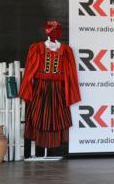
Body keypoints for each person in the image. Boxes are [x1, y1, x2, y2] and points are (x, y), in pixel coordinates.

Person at [20, 21, 80, 149]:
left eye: (56, 30)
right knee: (40, 115)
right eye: (51, 30)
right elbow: (30, 69)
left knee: (57, 116)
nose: (53, 33)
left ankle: (54, 142)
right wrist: (27, 87)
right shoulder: (37, 48)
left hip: (58, 89)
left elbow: (71, 73)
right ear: (47, 31)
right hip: (40, 88)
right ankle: (40, 141)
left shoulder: (66, 50)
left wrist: (70, 91)